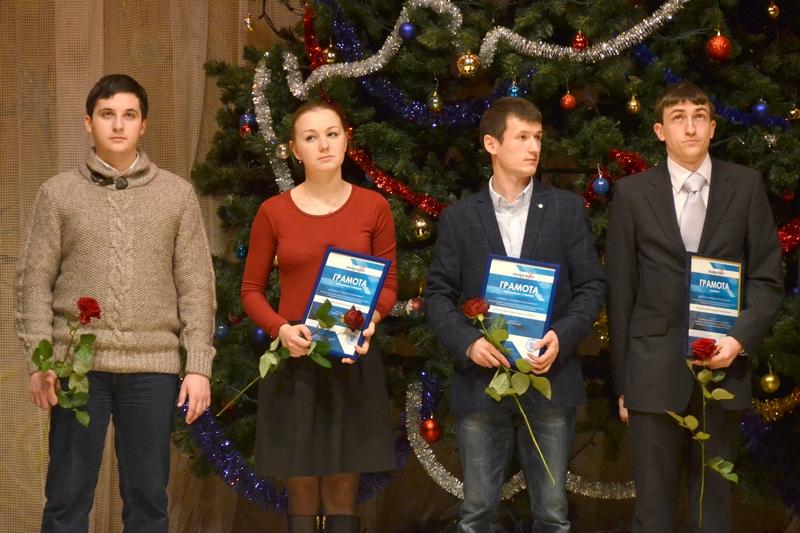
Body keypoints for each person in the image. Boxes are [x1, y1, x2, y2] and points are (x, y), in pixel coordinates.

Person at [15, 74, 216, 532]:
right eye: (107, 115)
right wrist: (39, 361)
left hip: (152, 367)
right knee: (66, 497)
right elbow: (33, 283)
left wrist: (199, 366)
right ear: (89, 123)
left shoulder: (176, 195)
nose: (118, 125)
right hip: (77, 367)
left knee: (148, 500)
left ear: (144, 125)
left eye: (129, 115)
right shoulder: (57, 194)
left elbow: (197, 285)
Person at [607, 81, 783, 532]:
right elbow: (621, 293)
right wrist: (624, 384)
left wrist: (739, 339)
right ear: (660, 131)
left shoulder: (746, 186)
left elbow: (767, 278)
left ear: (712, 127)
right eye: (678, 118)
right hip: (650, 371)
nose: (690, 127)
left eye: (700, 117)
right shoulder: (631, 194)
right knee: (653, 511)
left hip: (722, 369)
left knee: (713, 506)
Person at [425, 96, 606, 532]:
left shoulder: (566, 209)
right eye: (522, 137)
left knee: (552, 514)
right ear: (492, 144)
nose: (534, 147)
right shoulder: (459, 218)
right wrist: (469, 343)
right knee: (477, 512)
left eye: (538, 137)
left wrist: (562, 336)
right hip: (480, 381)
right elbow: (437, 296)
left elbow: (592, 287)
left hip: (550, 377)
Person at [240, 100, 398, 533]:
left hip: (352, 359)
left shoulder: (374, 207)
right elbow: (251, 291)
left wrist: (372, 320)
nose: (324, 144)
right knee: (302, 485)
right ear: (296, 150)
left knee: (345, 485)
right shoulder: (273, 212)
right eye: (311, 138)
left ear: (347, 139)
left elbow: (388, 285)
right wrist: (281, 330)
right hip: (295, 362)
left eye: (332, 134)